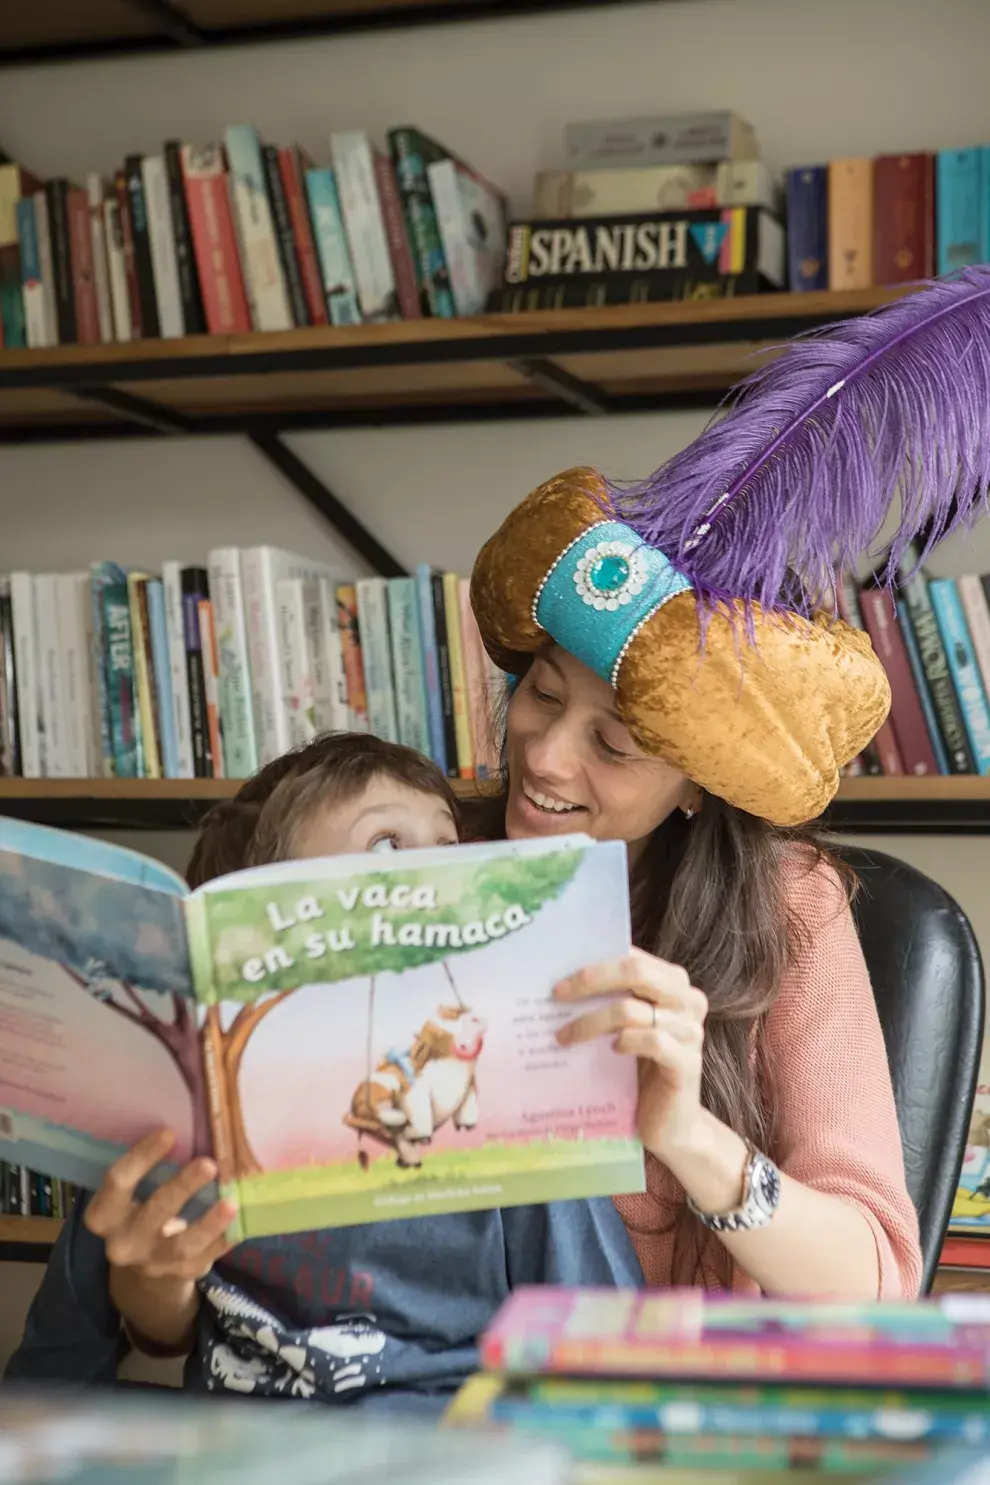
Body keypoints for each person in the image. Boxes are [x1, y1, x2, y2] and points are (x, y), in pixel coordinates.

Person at [5, 733, 644, 1404]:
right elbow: (51, 1374)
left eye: (448, 847)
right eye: (387, 845)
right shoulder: (188, 1124)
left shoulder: (514, 1117)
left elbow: (614, 1352)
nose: (435, 875)